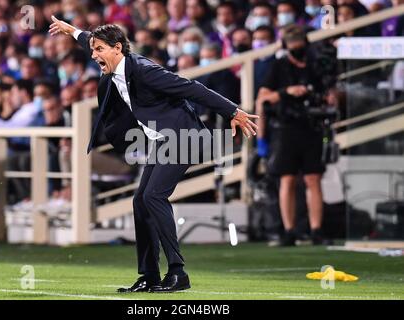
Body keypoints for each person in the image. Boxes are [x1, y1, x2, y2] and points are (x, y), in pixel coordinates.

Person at [49, 16, 258, 293]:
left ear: (118, 49)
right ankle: (149, 275)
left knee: (153, 196)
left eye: (99, 49)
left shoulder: (145, 70)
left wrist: (233, 111)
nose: (94, 54)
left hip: (184, 137)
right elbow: (87, 37)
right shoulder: (113, 65)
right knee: (140, 201)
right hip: (162, 141)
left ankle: (177, 272)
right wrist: (71, 30)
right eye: (93, 50)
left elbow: (192, 88)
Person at [256, 24, 326, 246]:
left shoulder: (316, 65)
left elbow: (329, 91)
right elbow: (263, 99)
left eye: (299, 41)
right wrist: (287, 92)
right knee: (286, 179)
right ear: (286, 45)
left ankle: (316, 229)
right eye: (292, 42)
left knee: (313, 178)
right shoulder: (279, 66)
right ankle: (289, 229)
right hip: (285, 128)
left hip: (312, 126)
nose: (297, 46)